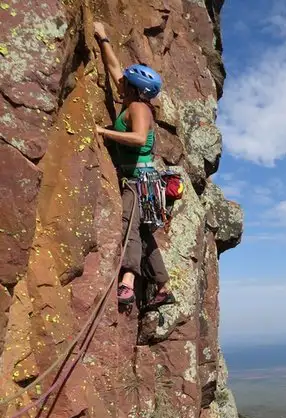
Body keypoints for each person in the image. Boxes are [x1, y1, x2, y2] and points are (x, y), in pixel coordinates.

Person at [93, 22, 175, 309]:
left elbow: (139, 138)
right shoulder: (132, 101)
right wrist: (103, 37)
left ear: (134, 87)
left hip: (139, 181)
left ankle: (127, 282)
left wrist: (104, 133)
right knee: (141, 231)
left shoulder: (138, 108)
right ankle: (163, 285)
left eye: (126, 81)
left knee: (129, 225)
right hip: (144, 180)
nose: (121, 81)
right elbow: (115, 69)